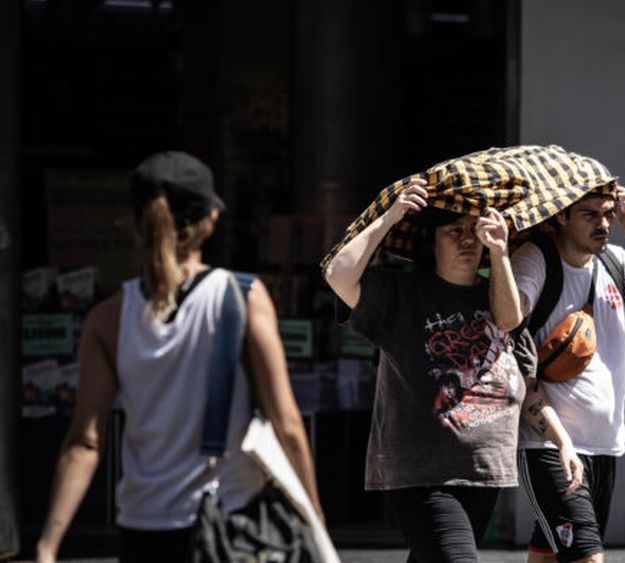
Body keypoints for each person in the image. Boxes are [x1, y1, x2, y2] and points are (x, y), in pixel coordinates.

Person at [35, 152, 323, 563]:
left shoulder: (108, 317)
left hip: (140, 527)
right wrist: (314, 514)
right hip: (223, 523)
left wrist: (48, 546)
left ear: (137, 224)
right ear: (209, 220)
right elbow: (288, 423)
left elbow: (84, 442)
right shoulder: (241, 297)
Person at [323, 179, 582, 562]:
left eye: (474, 230)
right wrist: (391, 215)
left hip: (484, 471)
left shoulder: (499, 301)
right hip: (424, 474)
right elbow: (337, 275)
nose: (467, 239)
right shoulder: (404, 295)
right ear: (431, 241)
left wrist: (563, 442)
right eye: (454, 231)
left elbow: (527, 382)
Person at [512, 187, 625, 563]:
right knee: (588, 558)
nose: (604, 223)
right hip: (549, 444)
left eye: (608, 213)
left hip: (605, 444)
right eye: (590, 214)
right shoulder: (536, 260)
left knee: (548, 554)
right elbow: (510, 316)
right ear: (561, 216)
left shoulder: (615, 262)